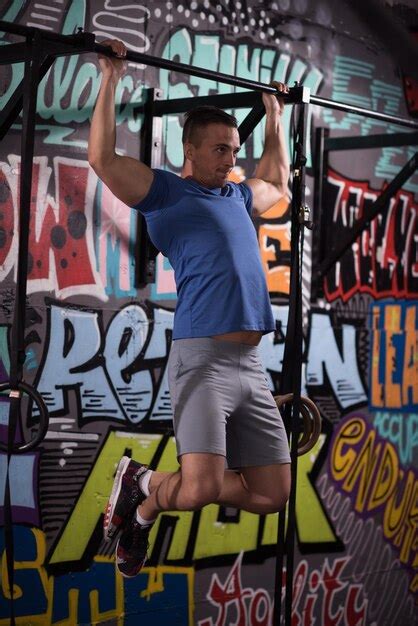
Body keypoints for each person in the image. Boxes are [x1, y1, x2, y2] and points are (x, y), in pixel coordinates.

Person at [88, 39, 291, 578]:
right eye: (221, 149)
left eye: (234, 149)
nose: (232, 159)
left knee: (272, 492)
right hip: (202, 358)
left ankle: (142, 488)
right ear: (192, 152)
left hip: (252, 366)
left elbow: (279, 183)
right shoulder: (166, 196)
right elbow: (102, 159)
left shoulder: (238, 196)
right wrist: (112, 77)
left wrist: (274, 118)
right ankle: (147, 492)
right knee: (200, 487)